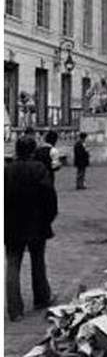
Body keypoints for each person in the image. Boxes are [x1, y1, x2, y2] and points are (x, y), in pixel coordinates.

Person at [5, 135, 58, 321]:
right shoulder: (38, 169)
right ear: (33, 151)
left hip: (11, 223)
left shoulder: (7, 170)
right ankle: (41, 297)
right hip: (36, 222)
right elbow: (49, 196)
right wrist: (49, 218)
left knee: (12, 263)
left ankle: (14, 309)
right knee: (38, 260)